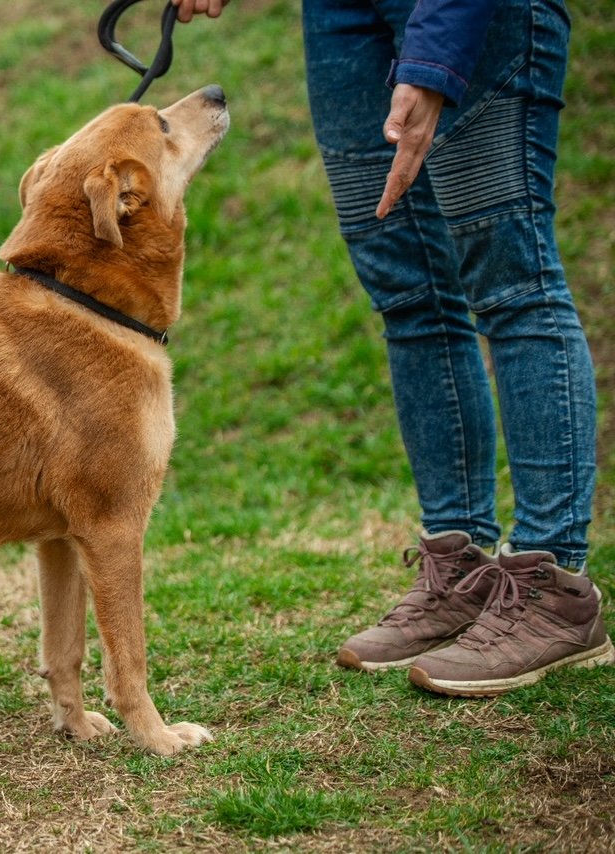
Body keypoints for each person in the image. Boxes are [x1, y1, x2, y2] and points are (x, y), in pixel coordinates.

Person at [167, 0, 611, 695]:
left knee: (512, 280)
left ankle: (553, 588)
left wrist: (432, 62)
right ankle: (460, 568)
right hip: (342, 15)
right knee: (409, 292)